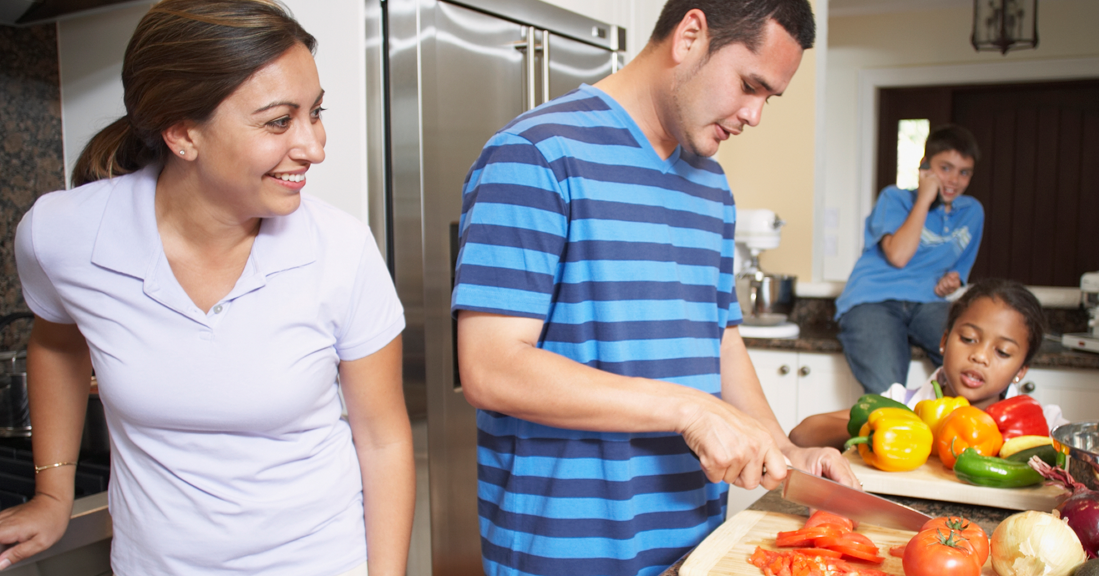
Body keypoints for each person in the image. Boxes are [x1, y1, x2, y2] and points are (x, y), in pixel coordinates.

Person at [0, 2, 413, 574]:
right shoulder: (65, 234)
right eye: (280, 121)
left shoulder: (341, 250)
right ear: (182, 134)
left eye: (315, 112)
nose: (314, 146)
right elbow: (57, 341)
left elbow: (382, 440)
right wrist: (52, 493)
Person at [448, 1, 856, 575]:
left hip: (695, 547)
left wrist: (785, 450)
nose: (755, 115)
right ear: (690, 35)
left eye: (769, 97)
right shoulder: (535, 155)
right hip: (566, 556)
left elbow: (722, 341)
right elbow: (490, 369)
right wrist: (689, 409)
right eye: (749, 85)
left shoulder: (712, 186)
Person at [790, 278, 1063, 448]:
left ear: (1021, 371)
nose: (980, 356)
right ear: (943, 340)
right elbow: (803, 434)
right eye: (968, 338)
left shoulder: (1045, 425)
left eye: (1002, 352)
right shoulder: (902, 403)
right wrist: (901, 428)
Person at [834, 126, 984, 394]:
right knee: (887, 392)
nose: (954, 180)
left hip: (928, 303)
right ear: (925, 166)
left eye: (964, 172)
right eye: (945, 168)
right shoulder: (895, 198)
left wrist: (953, 280)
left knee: (973, 365)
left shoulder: (972, 212)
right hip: (873, 300)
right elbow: (899, 255)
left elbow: (960, 269)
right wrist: (925, 198)